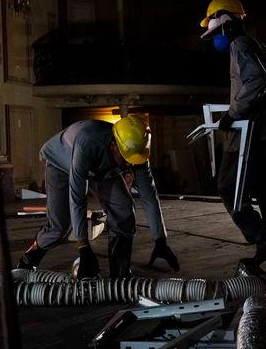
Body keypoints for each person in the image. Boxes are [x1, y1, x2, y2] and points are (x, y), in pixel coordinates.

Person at [199, 0, 266, 297]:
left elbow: (258, 81)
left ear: (227, 24)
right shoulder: (261, 47)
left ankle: (263, 239)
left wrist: (233, 114)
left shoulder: (240, 46)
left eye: (215, 32)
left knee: (228, 187)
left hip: (252, 137)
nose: (214, 38)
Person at [16, 114, 179, 279]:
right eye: (126, 159)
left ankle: (120, 274)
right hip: (60, 163)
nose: (130, 165)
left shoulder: (136, 152)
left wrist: (160, 240)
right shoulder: (87, 142)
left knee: (123, 209)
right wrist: (84, 247)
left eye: (134, 160)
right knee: (60, 227)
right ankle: (30, 258)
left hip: (99, 166)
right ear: (113, 145)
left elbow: (149, 196)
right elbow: (77, 198)